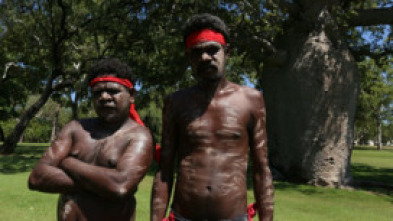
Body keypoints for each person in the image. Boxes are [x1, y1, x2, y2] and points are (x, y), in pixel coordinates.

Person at [151, 13, 274, 221]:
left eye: (212, 50)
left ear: (227, 52)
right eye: (197, 52)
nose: (205, 57)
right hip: (183, 216)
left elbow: (262, 170)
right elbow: (164, 171)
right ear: (190, 58)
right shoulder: (176, 102)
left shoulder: (251, 100)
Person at [28, 58, 153, 221]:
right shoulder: (75, 128)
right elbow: (37, 177)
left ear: (132, 95)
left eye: (113, 91)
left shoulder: (139, 136)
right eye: (97, 92)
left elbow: (119, 186)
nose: (104, 97)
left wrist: (68, 163)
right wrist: (102, 184)